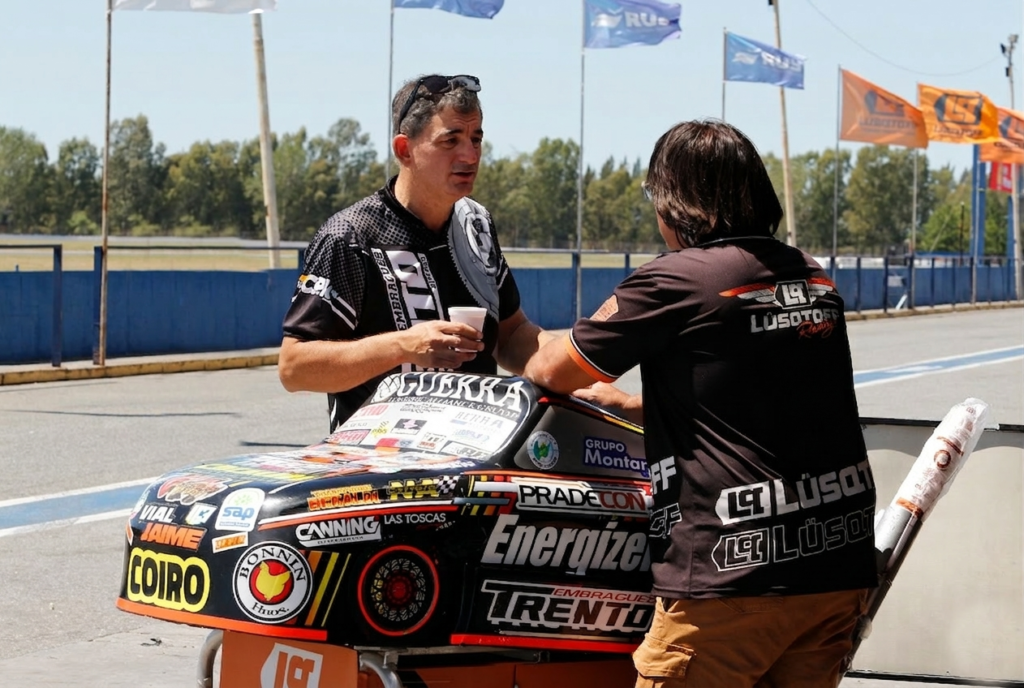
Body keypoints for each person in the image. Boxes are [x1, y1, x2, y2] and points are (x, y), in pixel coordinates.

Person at [522, 119, 876, 688]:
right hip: (838, 568)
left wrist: (517, 335)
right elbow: (763, 397)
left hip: (731, 577)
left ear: (675, 203)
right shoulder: (812, 276)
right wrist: (642, 408)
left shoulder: (678, 278)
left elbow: (552, 369)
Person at [279, 74, 548, 432]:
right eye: (450, 140)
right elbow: (294, 367)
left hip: (472, 461)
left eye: (476, 138)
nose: (470, 155)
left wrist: (574, 359)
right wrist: (404, 346)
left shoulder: (476, 224)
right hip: (379, 469)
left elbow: (512, 336)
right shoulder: (350, 237)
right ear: (404, 150)